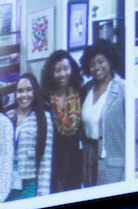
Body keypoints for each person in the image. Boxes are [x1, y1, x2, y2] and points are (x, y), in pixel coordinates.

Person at [79, 42, 125, 186]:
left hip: (112, 160)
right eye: (92, 64)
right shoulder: (86, 89)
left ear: (110, 61)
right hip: (88, 157)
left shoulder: (124, 89)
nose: (97, 67)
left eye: (101, 61)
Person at [43, 50, 87, 194]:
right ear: (51, 72)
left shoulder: (81, 92)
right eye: (57, 70)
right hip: (52, 158)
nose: (62, 74)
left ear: (72, 69)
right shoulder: (44, 98)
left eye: (66, 69)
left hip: (76, 156)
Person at [8, 72, 52, 199]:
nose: (24, 95)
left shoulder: (44, 118)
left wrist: (42, 196)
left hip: (29, 184)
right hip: (9, 184)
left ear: (35, 92)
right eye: (20, 91)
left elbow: (46, 160)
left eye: (28, 90)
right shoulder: (10, 116)